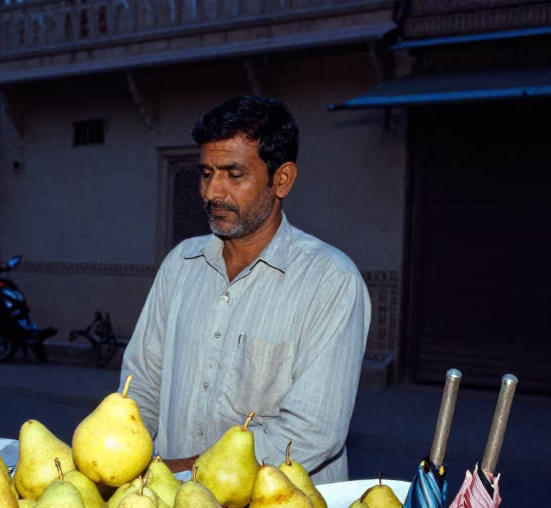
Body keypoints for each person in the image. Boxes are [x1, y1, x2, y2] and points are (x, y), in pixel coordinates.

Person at [121, 95, 370, 485]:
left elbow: (312, 433)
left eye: (233, 175)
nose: (212, 193)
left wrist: (187, 472)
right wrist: (125, 457)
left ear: (282, 179)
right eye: (206, 173)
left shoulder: (330, 281)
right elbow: (142, 386)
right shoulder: (180, 265)